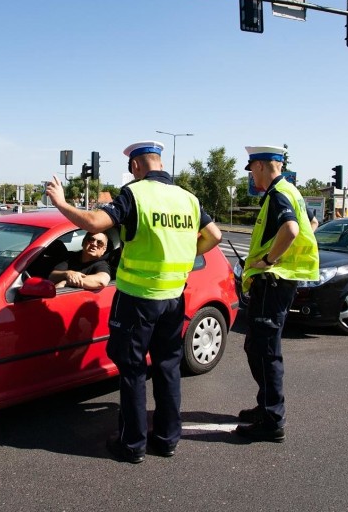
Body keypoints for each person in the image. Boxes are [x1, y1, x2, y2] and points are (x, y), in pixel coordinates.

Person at [45, 140, 221, 463]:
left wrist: (61, 203)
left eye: (131, 169)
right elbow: (215, 236)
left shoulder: (135, 194)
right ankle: (167, 440)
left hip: (138, 301)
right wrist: (183, 256)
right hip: (174, 299)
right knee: (168, 368)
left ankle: (132, 444)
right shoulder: (188, 199)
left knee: (133, 370)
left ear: (137, 166)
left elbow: (96, 223)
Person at [237, 145, 319, 443]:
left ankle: (272, 419)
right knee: (257, 347)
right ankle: (265, 407)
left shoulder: (277, 194)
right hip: (280, 282)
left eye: (251, 170)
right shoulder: (291, 190)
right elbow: (312, 224)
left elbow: (292, 229)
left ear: (260, 165)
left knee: (264, 350)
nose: (251, 177)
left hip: (273, 280)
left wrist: (270, 260)